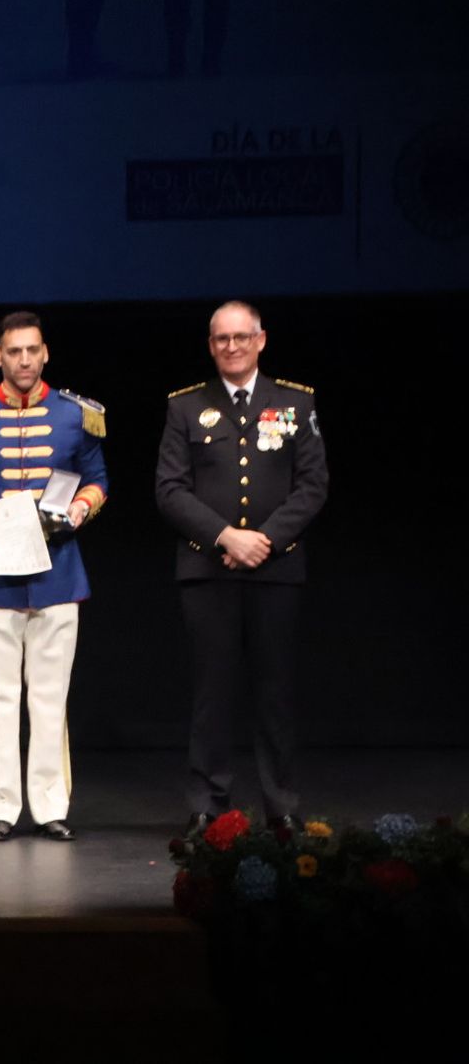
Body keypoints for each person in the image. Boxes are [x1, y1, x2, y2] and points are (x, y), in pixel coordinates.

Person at [0, 311, 108, 842]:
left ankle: (51, 806)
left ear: (45, 352)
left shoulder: (75, 414)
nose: (24, 359)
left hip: (58, 575)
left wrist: (80, 508)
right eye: (14, 351)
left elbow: (97, 479)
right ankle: (2, 808)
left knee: (50, 698)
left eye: (33, 350)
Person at [155, 301, 328, 833]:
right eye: (222, 339)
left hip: (276, 571)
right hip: (208, 570)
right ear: (211, 346)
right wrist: (226, 537)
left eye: (241, 337)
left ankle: (282, 805)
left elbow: (313, 485)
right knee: (213, 693)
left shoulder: (295, 401)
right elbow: (169, 489)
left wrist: (264, 541)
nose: (232, 347)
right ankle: (207, 805)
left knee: (275, 692)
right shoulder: (186, 406)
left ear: (260, 340)